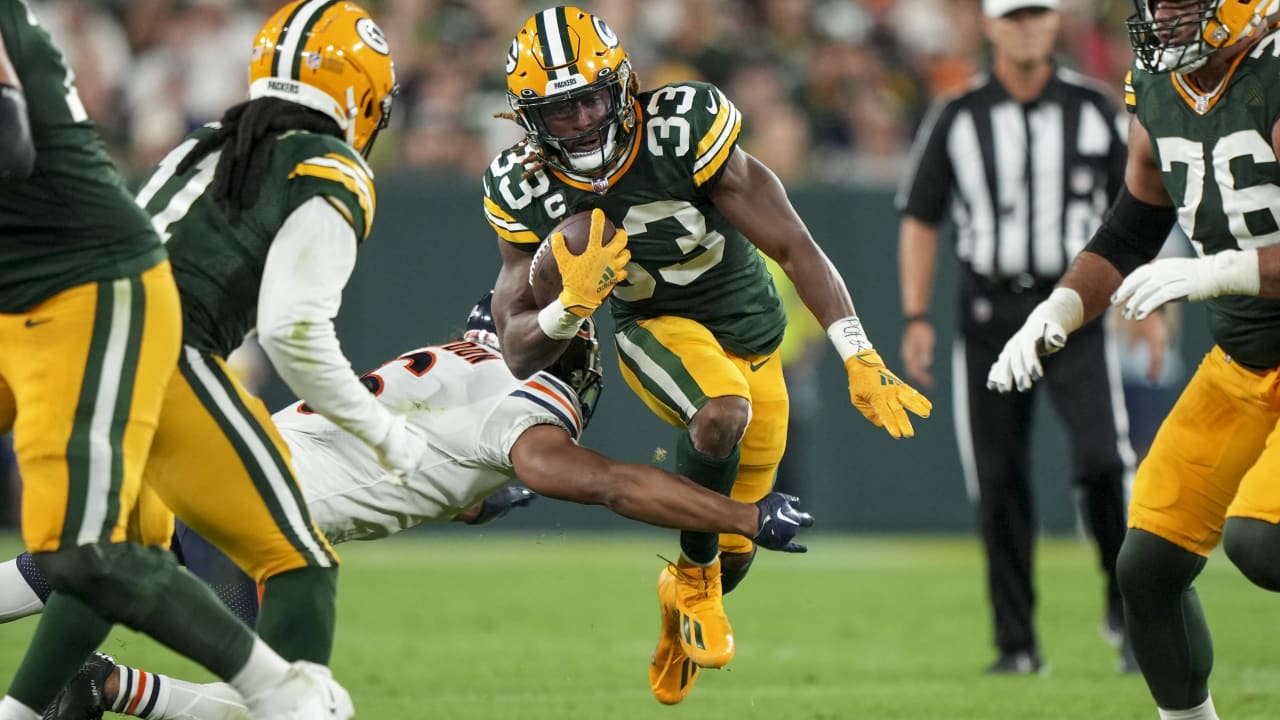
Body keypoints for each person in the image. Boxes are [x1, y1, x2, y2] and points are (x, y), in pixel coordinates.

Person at [12, 291, 814, 720]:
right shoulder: (521, 412)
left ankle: (85, 688)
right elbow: (606, 480)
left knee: (72, 569)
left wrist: (477, 502)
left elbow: (417, 458)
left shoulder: (466, 360)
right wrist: (745, 516)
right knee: (290, 703)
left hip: (213, 467)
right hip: (254, 519)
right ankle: (108, 690)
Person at [484, 5, 932, 705]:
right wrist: (568, 309)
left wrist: (858, 352)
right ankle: (692, 579)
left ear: (623, 86)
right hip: (655, 324)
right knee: (723, 413)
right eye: (558, 112)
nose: (579, 124)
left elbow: (795, 245)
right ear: (528, 118)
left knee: (734, 553)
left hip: (753, 330)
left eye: (590, 101)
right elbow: (516, 347)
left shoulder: (682, 127)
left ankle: (684, 592)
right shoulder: (524, 184)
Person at [0, 2, 350, 719]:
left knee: (99, 550)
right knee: (102, 551)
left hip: (83, 296)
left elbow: (10, 137)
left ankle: (268, 693)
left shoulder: (243, 164)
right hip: (73, 301)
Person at [91, 0, 402, 715]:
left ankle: (43, 702)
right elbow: (292, 328)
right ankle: (290, 703)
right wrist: (390, 437)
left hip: (74, 336)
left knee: (103, 560)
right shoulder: (326, 164)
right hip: (159, 359)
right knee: (299, 559)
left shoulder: (205, 141)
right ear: (358, 89)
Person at [987, 1, 1280, 716]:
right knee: (1147, 566)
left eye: (1184, 5)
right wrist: (1053, 314)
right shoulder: (1155, 89)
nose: (1164, 21)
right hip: (1245, 360)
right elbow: (1131, 228)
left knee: (1261, 542)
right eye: (1158, 5)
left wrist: (1219, 273)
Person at [896, 0, 1156, 675]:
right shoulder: (956, 115)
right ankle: (1016, 644)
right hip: (988, 311)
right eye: (1014, 16)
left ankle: (1126, 613)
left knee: (1104, 462)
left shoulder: (1098, 110)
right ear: (988, 26)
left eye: (1037, 13)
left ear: (1055, 23)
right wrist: (916, 315)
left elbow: (1141, 211)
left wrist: (1149, 303)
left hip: (1075, 309)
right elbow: (921, 217)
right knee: (998, 477)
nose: (1027, 26)